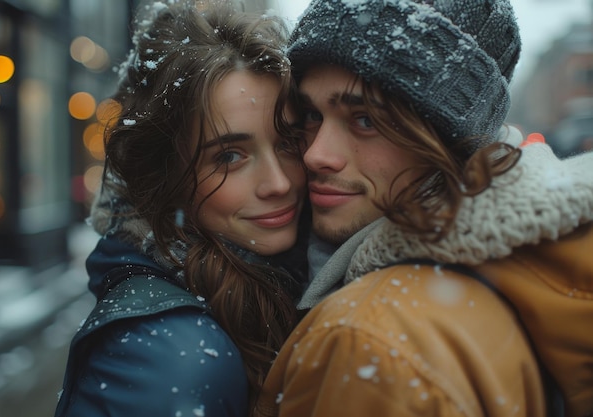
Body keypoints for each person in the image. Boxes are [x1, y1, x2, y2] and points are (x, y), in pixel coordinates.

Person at [254, 0, 593, 416]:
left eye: (366, 120)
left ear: (449, 137)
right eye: (310, 115)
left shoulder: (370, 339)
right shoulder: (519, 269)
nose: (316, 155)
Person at [54, 2, 309, 417]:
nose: (279, 183)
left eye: (287, 142)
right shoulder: (174, 358)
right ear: (167, 179)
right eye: (229, 157)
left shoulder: (270, 285)